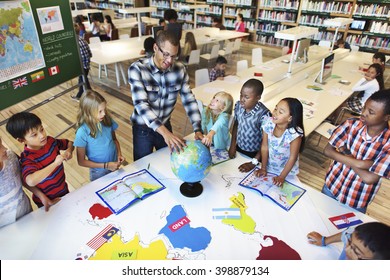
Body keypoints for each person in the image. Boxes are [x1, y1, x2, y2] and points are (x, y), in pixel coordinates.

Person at [128, 30, 203, 161]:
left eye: (174, 56)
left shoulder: (180, 69)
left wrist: (197, 128)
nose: (170, 61)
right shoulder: (137, 69)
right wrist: (165, 133)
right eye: (166, 54)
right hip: (143, 129)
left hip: (165, 124)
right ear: (155, 48)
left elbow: (189, 99)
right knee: (142, 165)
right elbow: (141, 105)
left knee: (167, 163)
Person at [322, 89, 390, 213]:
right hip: (332, 185)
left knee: (347, 231)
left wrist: (345, 151)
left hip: (357, 199)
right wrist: (361, 164)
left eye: (371, 112)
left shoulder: (388, 143)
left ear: (387, 117)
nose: (363, 113)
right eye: (364, 108)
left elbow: (369, 178)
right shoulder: (351, 124)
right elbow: (328, 150)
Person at [6, 112, 74, 210]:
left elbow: (69, 143)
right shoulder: (27, 158)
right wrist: (55, 164)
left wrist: (69, 151)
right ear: (21, 140)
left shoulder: (51, 141)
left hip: (63, 190)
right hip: (45, 201)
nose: (42, 135)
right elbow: (30, 180)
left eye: (42, 129)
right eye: (34, 135)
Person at [74, 90, 125, 181]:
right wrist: (106, 165)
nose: (104, 114)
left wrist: (119, 155)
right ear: (88, 112)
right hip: (98, 172)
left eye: (104, 109)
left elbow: (114, 140)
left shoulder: (107, 120)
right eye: (100, 111)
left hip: (114, 165)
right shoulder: (82, 132)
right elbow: (81, 161)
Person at [254, 98, 305, 186]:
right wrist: (263, 168)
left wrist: (282, 177)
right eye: (276, 109)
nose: (275, 113)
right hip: (269, 167)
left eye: (280, 112)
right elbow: (264, 147)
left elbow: (292, 158)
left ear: (290, 118)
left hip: (287, 173)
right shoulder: (269, 123)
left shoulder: (294, 133)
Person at [228, 79, 270, 172]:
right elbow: (236, 124)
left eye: (246, 97)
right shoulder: (238, 106)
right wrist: (232, 145)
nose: (242, 99)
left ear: (258, 97)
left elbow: (266, 141)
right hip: (239, 148)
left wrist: (254, 162)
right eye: (241, 95)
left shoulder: (264, 115)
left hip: (255, 154)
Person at [307, 222, 390, 260]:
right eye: (349, 241)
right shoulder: (353, 236)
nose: (346, 249)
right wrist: (324, 240)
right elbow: (347, 233)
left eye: (356, 251)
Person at [0, 137, 33, 228]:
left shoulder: (11, 157)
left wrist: (42, 196)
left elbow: (23, 179)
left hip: (26, 212)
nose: (5, 149)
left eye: (1, 144)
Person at [71, 30, 92, 101]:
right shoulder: (81, 39)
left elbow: (79, 58)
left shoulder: (75, 43)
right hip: (87, 64)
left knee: (83, 80)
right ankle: (80, 95)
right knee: (83, 80)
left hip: (82, 65)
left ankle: (89, 96)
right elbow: (90, 54)